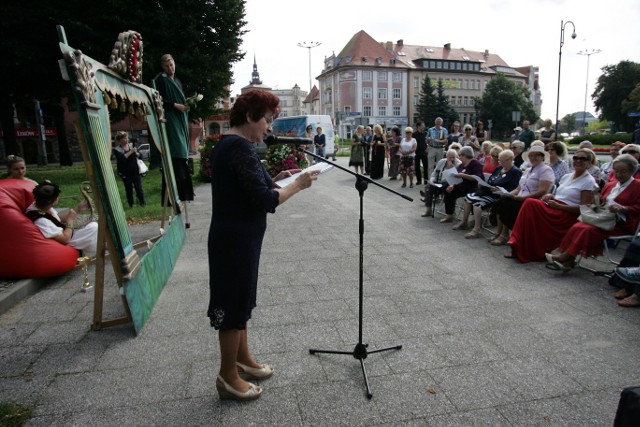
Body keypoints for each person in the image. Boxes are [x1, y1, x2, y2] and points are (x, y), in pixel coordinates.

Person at [207, 90, 318, 401]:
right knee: (232, 307)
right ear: (249, 116)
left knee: (241, 302)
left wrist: (278, 177)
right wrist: (297, 184)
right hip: (235, 241)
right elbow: (265, 200)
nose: (270, 128)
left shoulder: (232, 145)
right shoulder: (239, 146)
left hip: (237, 238)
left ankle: (243, 359)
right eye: (267, 120)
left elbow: (250, 185)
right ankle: (228, 377)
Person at [546, 154, 640, 272]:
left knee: (587, 229)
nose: (619, 175)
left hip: (620, 223)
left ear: (632, 171)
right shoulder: (611, 185)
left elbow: (638, 207)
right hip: (602, 218)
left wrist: (624, 208)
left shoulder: (637, 186)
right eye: (616, 171)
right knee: (578, 225)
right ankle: (568, 260)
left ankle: (565, 257)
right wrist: (595, 199)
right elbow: (599, 203)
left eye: (623, 172)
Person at [505, 148, 597, 262]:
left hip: (566, 214)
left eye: (583, 159)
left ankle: (516, 240)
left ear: (589, 163)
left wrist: (560, 207)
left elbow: (584, 209)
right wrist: (551, 196)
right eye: (575, 158)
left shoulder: (589, 181)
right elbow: (560, 195)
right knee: (522, 204)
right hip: (555, 207)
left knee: (529, 203)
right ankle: (518, 243)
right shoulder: (567, 177)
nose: (578, 161)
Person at [489, 145, 554, 246]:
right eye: (531, 155)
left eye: (537, 155)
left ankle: (504, 235)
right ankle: (501, 232)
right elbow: (518, 188)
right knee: (502, 201)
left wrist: (522, 198)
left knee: (506, 205)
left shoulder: (545, 170)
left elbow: (543, 190)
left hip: (533, 201)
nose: (533, 158)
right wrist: (507, 194)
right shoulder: (528, 170)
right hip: (520, 198)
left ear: (542, 157)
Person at [153, 54, 194, 204]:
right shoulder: (160, 81)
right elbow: (158, 100)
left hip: (180, 119)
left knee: (182, 152)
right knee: (176, 151)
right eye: (166, 66)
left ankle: (184, 193)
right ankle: (172, 195)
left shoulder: (177, 81)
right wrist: (176, 105)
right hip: (170, 120)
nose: (170, 68)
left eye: (171, 65)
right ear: (162, 67)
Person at [455, 149, 522, 238]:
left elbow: (514, 188)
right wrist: (482, 183)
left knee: (477, 203)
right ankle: (464, 222)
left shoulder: (515, 171)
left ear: (510, 160)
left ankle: (476, 229)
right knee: (468, 197)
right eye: (499, 160)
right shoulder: (499, 168)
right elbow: (491, 180)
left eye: (502, 160)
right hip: (488, 191)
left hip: (500, 196)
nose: (500, 162)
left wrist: (498, 189)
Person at [25, 180, 98, 258]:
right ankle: (89, 255)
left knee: (93, 224)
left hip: (63, 232)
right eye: (57, 197)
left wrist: (77, 209)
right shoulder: (41, 221)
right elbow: (65, 239)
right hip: (65, 240)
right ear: (53, 202)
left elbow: (56, 219)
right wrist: (70, 221)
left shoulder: (39, 205)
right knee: (93, 227)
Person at [440, 146, 483, 223]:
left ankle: (466, 221)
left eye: (460, 155)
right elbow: (456, 175)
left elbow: (476, 178)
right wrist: (452, 185)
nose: (459, 157)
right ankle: (449, 215)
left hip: (472, 188)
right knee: (448, 191)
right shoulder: (462, 165)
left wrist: (463, 175)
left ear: (465, 155)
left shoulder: (475, 164)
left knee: (467, 196)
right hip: (461, 186)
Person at [421, 146, 461, 217]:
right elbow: (435, 172)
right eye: (450, 157)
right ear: (446, 156)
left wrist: (451, 167)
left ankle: (450, 213)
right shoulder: (442, 161)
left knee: (446, 187)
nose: (452, 159)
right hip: (439, 181)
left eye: (453, 157)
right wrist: (432, 179)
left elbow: (456, 179)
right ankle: (428, 209)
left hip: (451, 184)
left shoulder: (458, 164)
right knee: (428, 187)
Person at [113, 131, 146, 208]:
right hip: (125, 173)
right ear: (120, 140)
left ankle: (142, 203)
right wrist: (131, 151)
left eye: (126, 137)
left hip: (135, 171)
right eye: (124, 138)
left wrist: (137, 153)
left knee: (139, 188)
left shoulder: (132, 145)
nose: (126, 139)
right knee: (129, 189)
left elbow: (140, 156)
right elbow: (122, 159)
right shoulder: (117, 149)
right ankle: (131, 204)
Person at [412, 121, 428, 185]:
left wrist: (427, 148)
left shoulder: (425, 134)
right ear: (418, 126)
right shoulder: (414, 134)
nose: (423, 127)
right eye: (422, 125)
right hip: (417, 153)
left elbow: (426, 142)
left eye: (424, 125)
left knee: (426, 167)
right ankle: (419, 180)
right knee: (417, 167)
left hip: (424, 152)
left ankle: (426, 180)